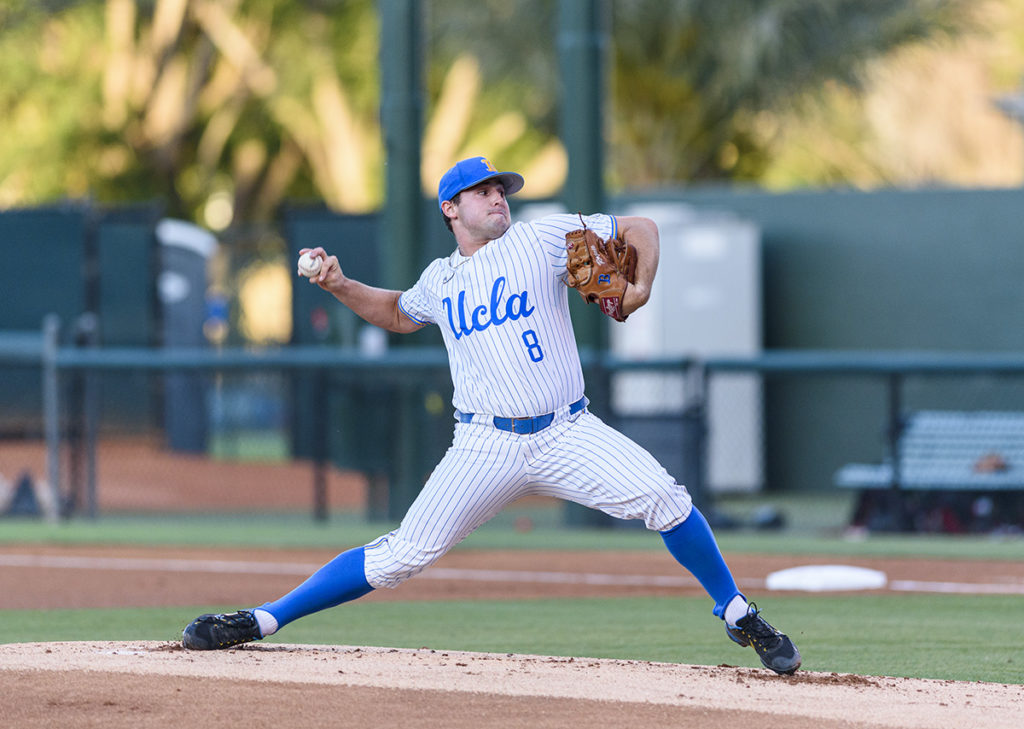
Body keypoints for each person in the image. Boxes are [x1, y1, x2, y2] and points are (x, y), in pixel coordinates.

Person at [181, 156, 801, 675]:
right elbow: (400, 312)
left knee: (665, 499)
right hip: (484, 445)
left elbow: (640, 228)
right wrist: (340, 286)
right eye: (483, 191)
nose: (498, 197)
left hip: (567, 431)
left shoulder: (540, 237)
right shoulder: (442, 279)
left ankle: (738, 612)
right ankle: (262, 619)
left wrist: (640, 286)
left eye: (501, 189)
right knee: (400, 556)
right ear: (452, 208)